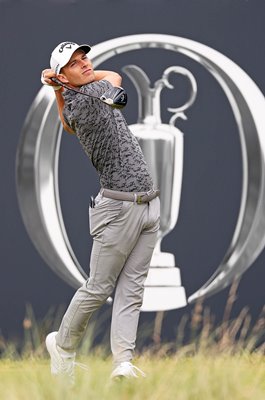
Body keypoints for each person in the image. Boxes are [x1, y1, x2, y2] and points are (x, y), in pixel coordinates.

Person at [41, 41, 160, 382]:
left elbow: (66, 121)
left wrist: (58, 87)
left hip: (148, 203)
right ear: (65, 75)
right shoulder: (90, 102)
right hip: (118, 209)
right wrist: (61, 86)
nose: (86, 64)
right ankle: (62, 347)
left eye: (84, 58)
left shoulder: (80, 97)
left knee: (132, 289)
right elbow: (115, 76)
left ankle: (123, 363)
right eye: (75, 64)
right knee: (99, 287)